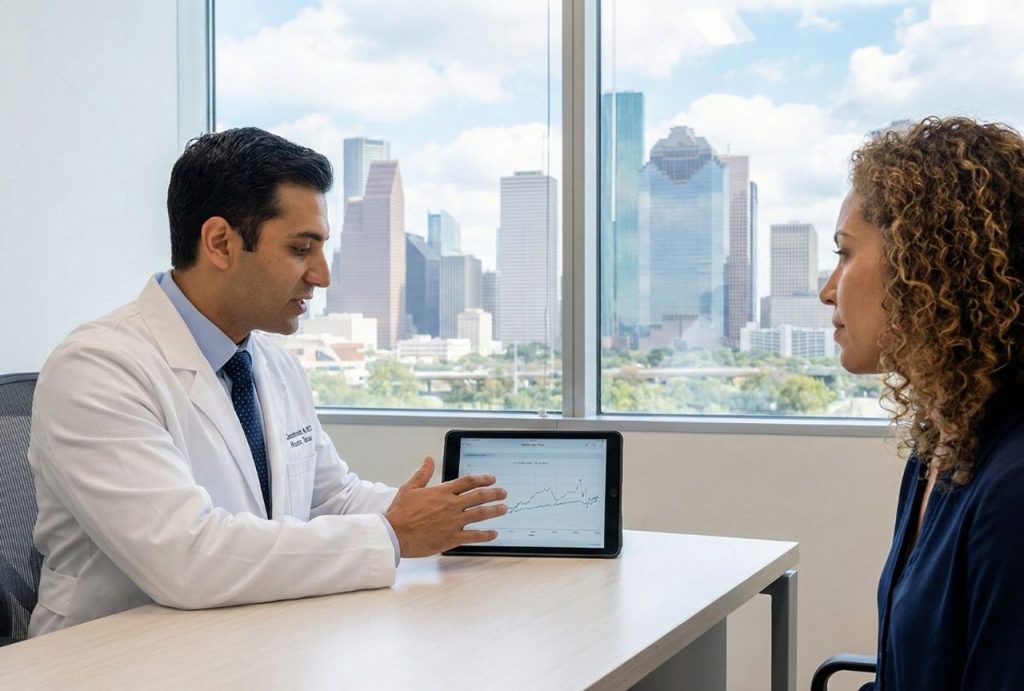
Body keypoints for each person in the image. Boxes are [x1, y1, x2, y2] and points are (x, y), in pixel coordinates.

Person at [27, 127, 507, 636]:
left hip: (243, 640)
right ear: (220, 243)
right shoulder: (98, 369)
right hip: (110, 659)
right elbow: (187, 558)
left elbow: (330, 498)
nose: (321, 276)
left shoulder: (271, 364)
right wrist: (392, 534)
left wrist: (445, 515)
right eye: (302, 249)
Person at [819, 116, 1024, 690]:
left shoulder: (1012, 490)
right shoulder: (944, 442)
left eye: (845, 254)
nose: (828, 289)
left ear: (926, 263)